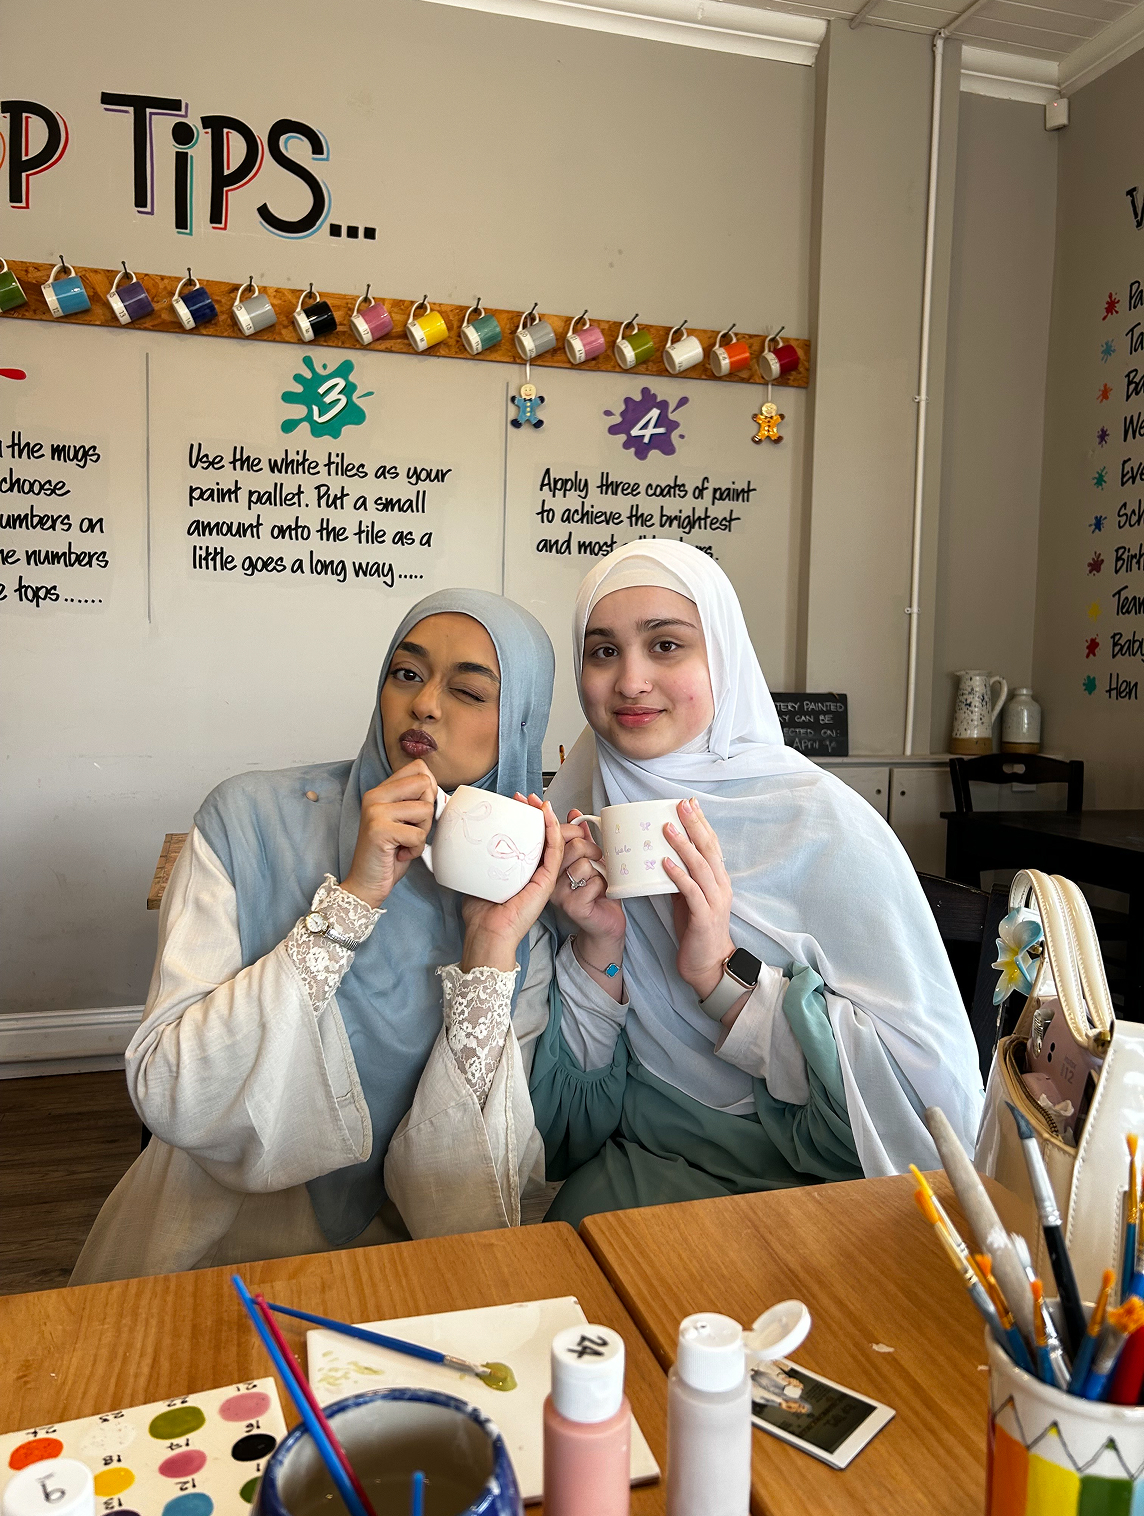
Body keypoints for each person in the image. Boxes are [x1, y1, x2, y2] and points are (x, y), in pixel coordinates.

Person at [71, 590, 563, 1283]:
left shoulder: (522, 888)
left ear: (520, 725)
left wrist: (489, 946)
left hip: (414, 1258)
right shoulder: (247, 820)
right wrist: (353, 901)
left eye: (470, 691)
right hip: (213, 1241)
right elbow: (170, 1087)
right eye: (407, 673)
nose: (424, 704)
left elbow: (471, 1190)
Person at [528, 540, 984, 1225]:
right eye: (602, 652)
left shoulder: (822, 823)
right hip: (637, 1179)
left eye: (667, 646)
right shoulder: (580, 806)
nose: (629, 681)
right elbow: (560, 1131)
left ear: (724, 660)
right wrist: (599, 949)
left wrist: (719, 976)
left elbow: (924, 1108)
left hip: (814, 1193)